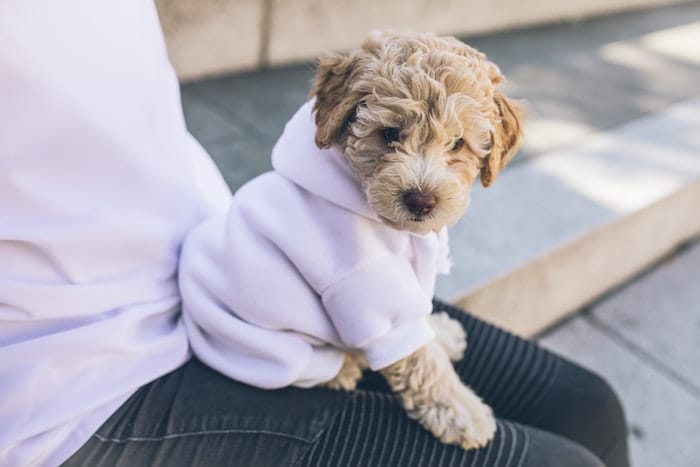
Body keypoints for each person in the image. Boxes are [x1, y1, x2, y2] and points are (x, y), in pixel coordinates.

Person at [0, 1, 630, 466]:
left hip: (221, 263)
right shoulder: (340, 229)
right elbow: (383, 321)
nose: (423, 180)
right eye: (391, 135)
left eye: (459, 148)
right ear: (340, 113)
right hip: (83, 377)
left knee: (588, 404)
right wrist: (431, 381)